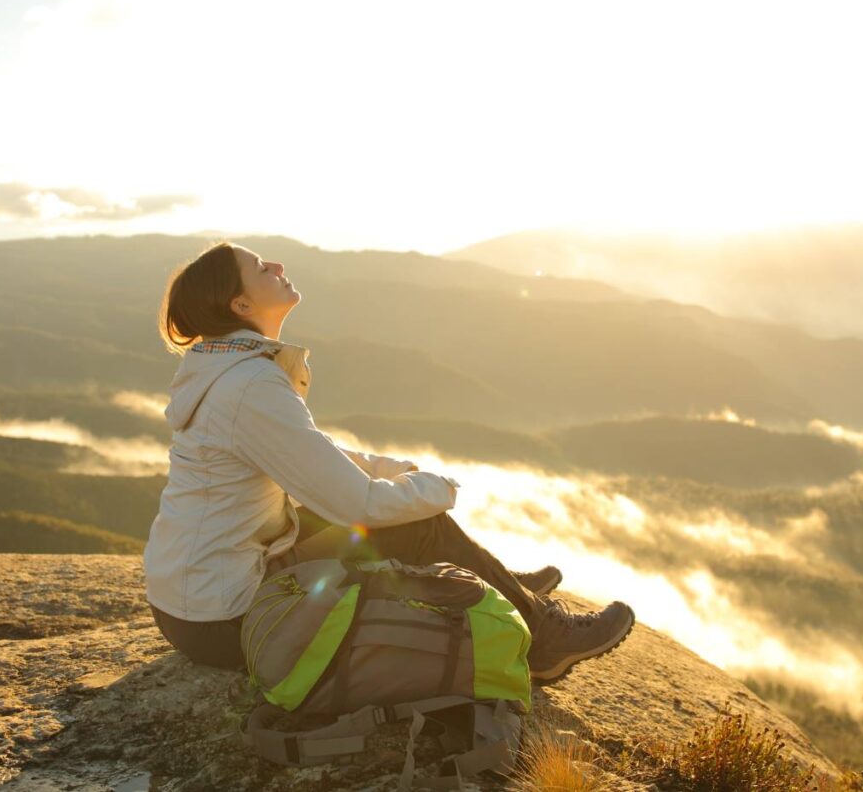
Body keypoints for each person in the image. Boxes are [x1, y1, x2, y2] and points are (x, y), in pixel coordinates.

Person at [143, 239, 635, 685]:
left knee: (341, 510)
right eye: (260, 267)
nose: (277, 264)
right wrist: (437, 487)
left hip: (190, 606)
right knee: (415, 526)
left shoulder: (231, 372)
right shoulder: (249, 386)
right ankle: (544, 640)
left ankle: (504, 586)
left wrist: (394, 469)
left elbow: (315, 455)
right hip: (223, 618)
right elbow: (361, 506)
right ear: (241, 304)